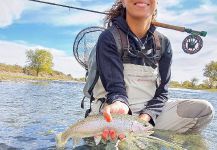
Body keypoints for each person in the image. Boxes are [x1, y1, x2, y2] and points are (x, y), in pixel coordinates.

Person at [88, 0, 214, 140]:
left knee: (204, 110)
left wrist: (144, 119)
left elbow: (162, 93)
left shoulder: (164, 43)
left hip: (148, 117)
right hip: (115, 112)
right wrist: (120, 104)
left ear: (156, 3)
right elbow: (115, 89)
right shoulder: (108, 38)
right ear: (123, 2)